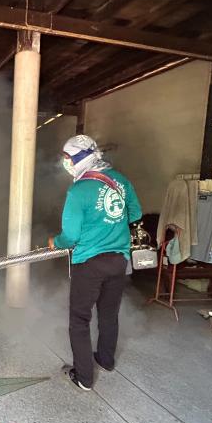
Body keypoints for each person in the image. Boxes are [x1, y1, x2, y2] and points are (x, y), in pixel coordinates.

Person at [48, 135, 142, 391]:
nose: (66, 163)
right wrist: (110, 226)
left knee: (80, 319)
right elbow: (135, 213)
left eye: (68, 158)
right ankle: (106, 360)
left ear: (80, 158)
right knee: (109, 314)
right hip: (119, 259)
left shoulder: (78, 191)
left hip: (89, 263)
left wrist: (55, 242)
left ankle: (84, 378)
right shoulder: (120, 180)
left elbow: (70, 237)